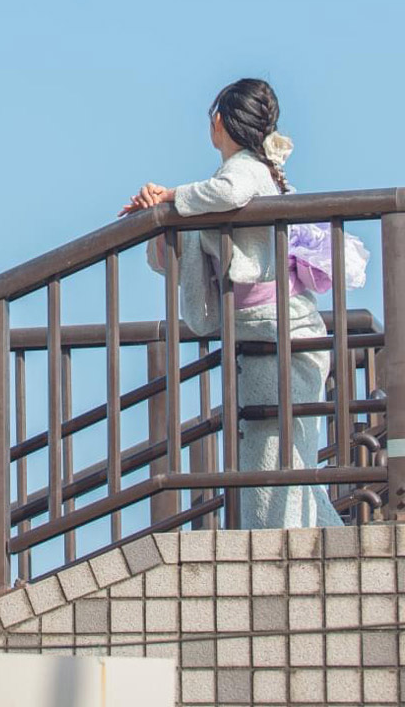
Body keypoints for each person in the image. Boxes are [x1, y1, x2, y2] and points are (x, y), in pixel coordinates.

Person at [119, 78, 343, 529]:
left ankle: (277, 547)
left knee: (272, 449)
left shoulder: (243, 171)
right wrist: (163, 211)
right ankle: (309, 543)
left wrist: (170, 196)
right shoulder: (255, 169)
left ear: (218, 122)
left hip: (275, 330)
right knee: (280, 450)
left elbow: (229, 194)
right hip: (271, 329)